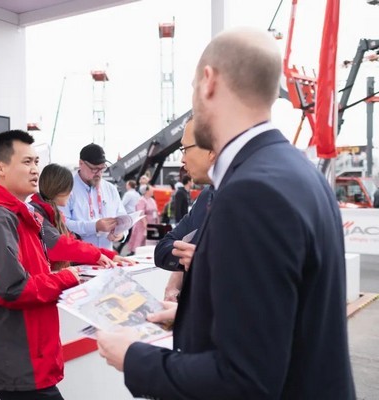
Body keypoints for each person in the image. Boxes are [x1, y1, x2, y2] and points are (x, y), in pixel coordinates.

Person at [97, 27, 355, 399]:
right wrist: (188, 320)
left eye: (192, 89)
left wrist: (133, 358)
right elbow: (283, 320)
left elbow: (244, 380)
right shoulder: (297, 172)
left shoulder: (251, 191)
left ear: (209, 81)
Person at [0, 130, 81, 400]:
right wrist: (66, 277)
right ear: (0, 168)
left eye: (36, 162)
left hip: (26, 352)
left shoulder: (16, 214)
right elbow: (12, 288)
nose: (35, 169)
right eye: (26, 162)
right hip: (17, 357)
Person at [154, 118, 216, 301]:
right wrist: (185, 262)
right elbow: (162, 250)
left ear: (210, 150)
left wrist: (202, 258)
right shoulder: (206, 197)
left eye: (185, 149)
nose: (182, 159)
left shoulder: (246, 196)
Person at [29, 163, 134, 270]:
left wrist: (109, 256)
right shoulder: (36, 214)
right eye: (69, 189)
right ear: (58, 189)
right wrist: (96, 255)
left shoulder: (53, 214)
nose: (71, 194)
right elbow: (60, 246)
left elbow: (73, 244)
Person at [60, 143, 127, 250]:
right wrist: (94, 227)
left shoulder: (111, 189)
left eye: (102, 168)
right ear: (81, 163)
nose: (99, 174)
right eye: (94, 169)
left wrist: (121, 234)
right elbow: (62, 224)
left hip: (107, 255)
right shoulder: (67, 188)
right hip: (78, 256)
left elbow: (123, 217)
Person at [126, 184, 159, 255]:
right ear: (146, 191)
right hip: (142, 225)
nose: (152, 191)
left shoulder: (152, 200)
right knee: (140, 240)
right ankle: (135, 253)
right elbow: (141, 213)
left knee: (150, 242)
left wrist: (157, 222)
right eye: (151, 189)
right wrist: (145, 224)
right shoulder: (141, 200)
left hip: (152, 224)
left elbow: (155, 211)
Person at [117, 179, 140, 253]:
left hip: (128, 215)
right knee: (132, 234)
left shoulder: (128, 194)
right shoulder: (137, 194)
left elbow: (122, 204)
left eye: (127, 185)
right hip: (135, 215)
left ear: (129, 186)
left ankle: (119, 249)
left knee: (126, 233)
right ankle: (127, 249)